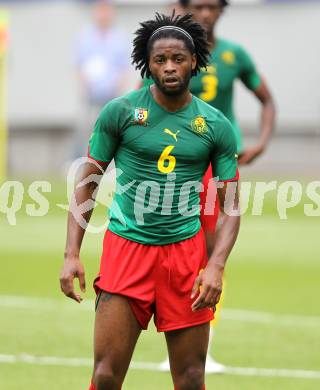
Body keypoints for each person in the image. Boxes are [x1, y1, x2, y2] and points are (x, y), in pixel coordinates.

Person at [60, 11, 240, 390]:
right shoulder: (121, 112)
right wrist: (71, 253)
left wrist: (217, 266)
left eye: (178, 59)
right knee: (106, 375)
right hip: (127, 250)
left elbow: (231, 205)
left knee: (191, 378)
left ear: (195, 62)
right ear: (147, 64)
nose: (170, 67)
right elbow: (89, 180)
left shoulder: (216, 125)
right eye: (160, 60)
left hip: (185, 256)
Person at [144, 0, 276, 373]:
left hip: (218, 166)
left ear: (222, 11)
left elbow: (267, 100)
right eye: (197, 6)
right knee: (171, 244)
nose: (205, 14)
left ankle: (204, 340)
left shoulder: (234, 55)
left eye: (212, 7)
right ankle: (171, 330)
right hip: (179, 166)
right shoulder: (170, 51)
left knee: (213, 250)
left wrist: (262, 142)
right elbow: (144, 104)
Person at [74, 0, 130, 157]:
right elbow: (79, 64)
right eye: (100, 11)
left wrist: (117, 87)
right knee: (85, 127)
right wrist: (85, 84)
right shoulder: (85, 36)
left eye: (107, 11)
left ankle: (112, 162)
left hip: (112, 92)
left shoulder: (119, 37)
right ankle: (83, 159)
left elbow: (123, 67)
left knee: (113, 128)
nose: (103, 15)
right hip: (90, 92)